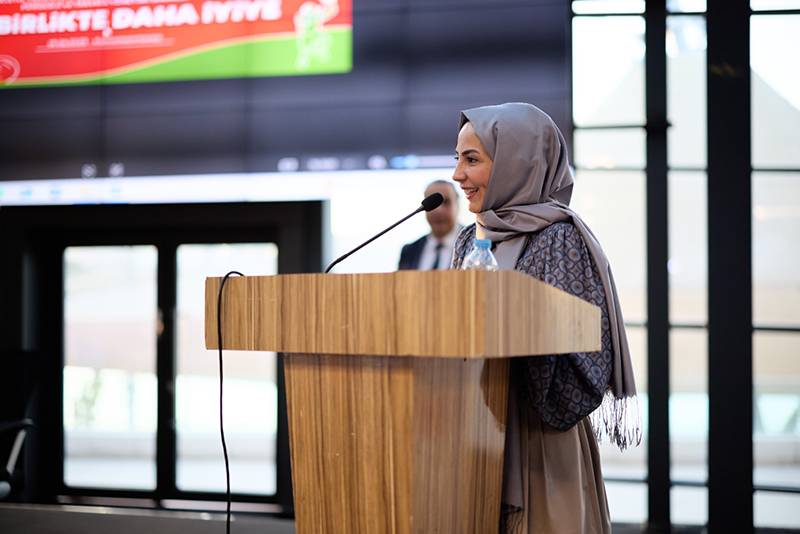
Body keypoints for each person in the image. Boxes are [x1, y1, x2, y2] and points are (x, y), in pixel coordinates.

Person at [450, 103, 641, 533]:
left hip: (539, 446)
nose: (458, 176)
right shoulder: (468, 238)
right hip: (473, 438)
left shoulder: (560, 238)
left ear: (520, 162)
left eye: (472, 159)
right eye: (457, 160)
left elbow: (582, 352)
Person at [398, 180, 462, 271]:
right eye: (433, 205)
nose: (438, 211)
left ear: (457, 206)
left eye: (446, 202)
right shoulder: (409, 251)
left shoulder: (474, 245)